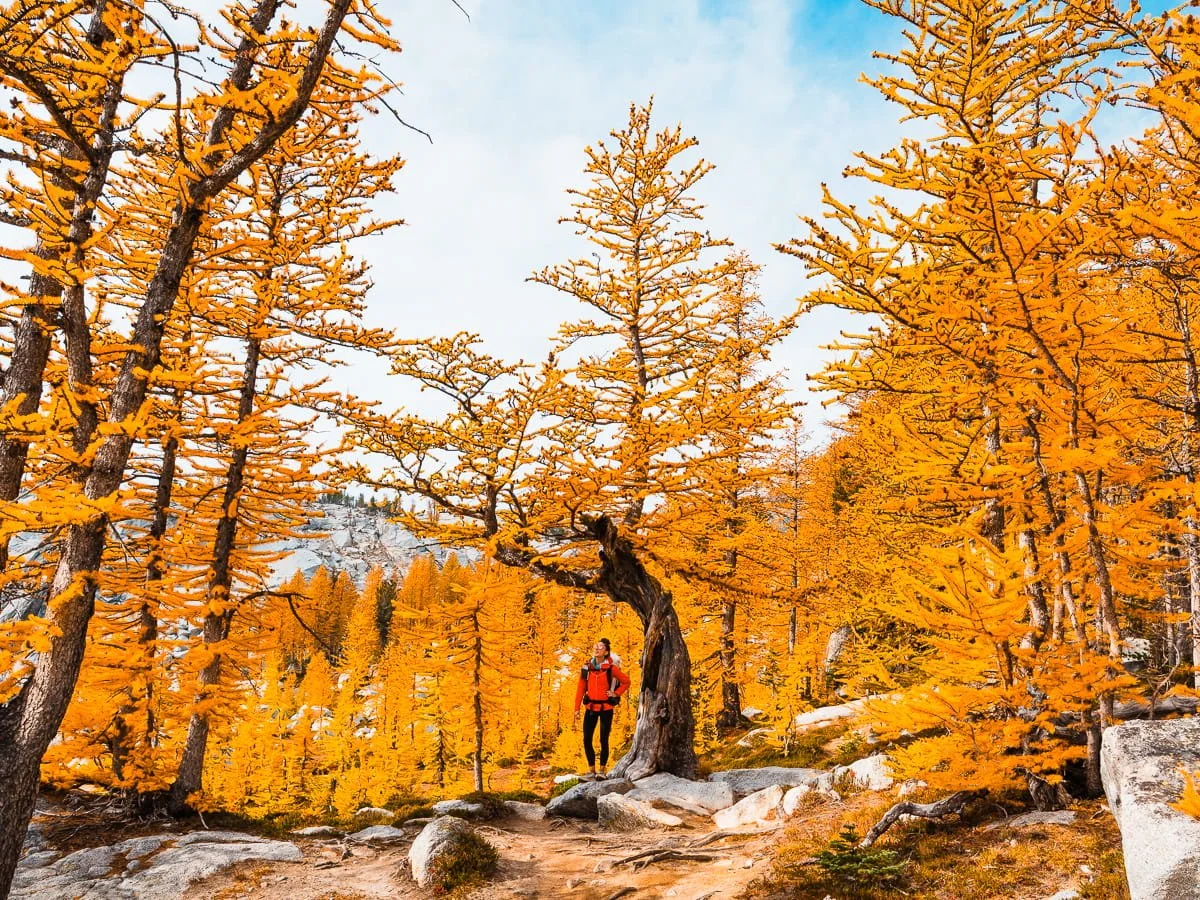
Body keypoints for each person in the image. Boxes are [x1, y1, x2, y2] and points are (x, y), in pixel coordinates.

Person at [573, 637, 631, 778]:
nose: (597, 648)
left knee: (603, 739)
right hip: (590, 708)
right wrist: (576, 709)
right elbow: (581, 689)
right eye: (596, 646)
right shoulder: (586, 668)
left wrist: (615, 693)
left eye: (601, 647)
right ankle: (591, 770)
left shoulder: (611, 668)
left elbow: (626, 681)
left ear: (606, 652)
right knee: (587, 739)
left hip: (606, 709)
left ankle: (602, 771)